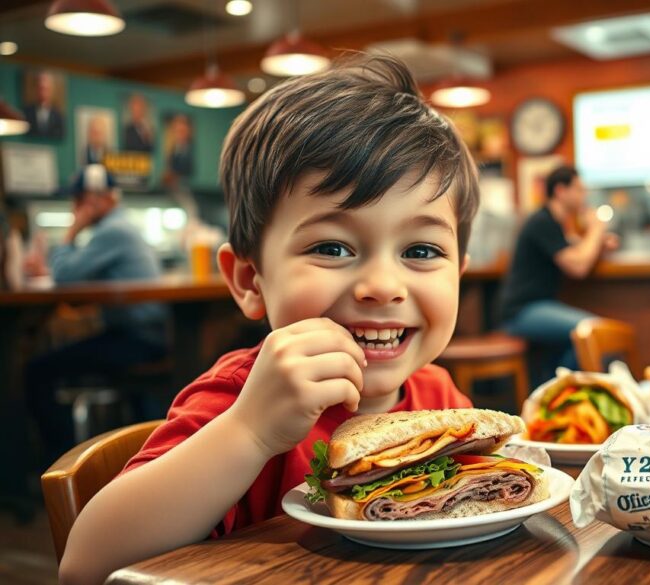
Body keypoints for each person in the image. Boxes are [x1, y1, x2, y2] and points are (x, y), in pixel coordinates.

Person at [58, 54, 480, 585]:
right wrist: (252, 432)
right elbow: (85, 565)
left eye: (420, 251)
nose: (382, 287)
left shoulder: (440, 398)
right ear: (249, 280)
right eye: (332, 246)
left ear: (459, 274)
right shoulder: (239, 399)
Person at [24, 165, 169, 466]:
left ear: (95, 200)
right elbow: (77, 277)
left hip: (138, 340)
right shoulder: (120, 227)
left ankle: (61, 464)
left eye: (78, 201)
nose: (74, 209)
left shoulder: (112, 230)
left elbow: (65, 276)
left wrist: (72, 232)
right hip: (145, 334)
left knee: (37, 371)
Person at [498, 165, 618, 384]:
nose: (585, 196)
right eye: (580, 190)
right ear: (561, 190)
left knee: (580, 339)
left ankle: (554, 388)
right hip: (521, 311)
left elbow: (578, 250)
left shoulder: (556, 224)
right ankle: (557, 393)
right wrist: (596, 230)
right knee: (591, 331)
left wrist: (598, 242)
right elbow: (578, 267)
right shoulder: (542, 221)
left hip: (539, 307)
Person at [23, 70, 64, 139]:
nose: (43, 93)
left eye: (46, 89)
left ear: (51, 91)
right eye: (40, 88)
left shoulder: (58, 115)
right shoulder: (27, 112)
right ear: (36, 89)